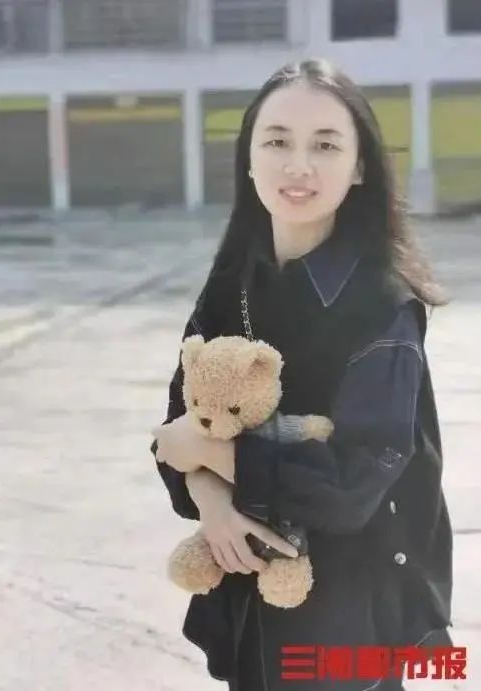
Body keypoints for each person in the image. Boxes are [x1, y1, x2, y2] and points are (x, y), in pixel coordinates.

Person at [150, 58, 453, 691]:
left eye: (326, 145)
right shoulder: (232, 284)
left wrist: (211, 454)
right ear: (249, 158)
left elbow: (353, 484)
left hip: (348, 623)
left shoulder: (382, 306)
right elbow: (184, 425)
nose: (299, 166)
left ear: (360, 166)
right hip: (249, 604)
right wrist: (212, 502)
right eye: (278, 141)